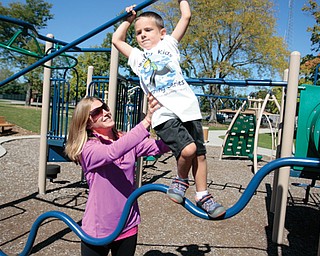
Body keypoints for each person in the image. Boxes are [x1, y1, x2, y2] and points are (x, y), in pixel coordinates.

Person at [112, 0, 226, 218]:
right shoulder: (137, 57)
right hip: (163, 113)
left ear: (162, 33)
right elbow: (117, 40)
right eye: (138, 33)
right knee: (188, 150)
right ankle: (181, 180)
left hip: (188, 108)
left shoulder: (169, 45)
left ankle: (203, 194)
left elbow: (186, 17)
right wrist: (127, 21)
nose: (143, 35)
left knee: (200, 155)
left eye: (148, 30)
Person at [65, 95, 169, 256]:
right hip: (99, 228)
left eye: (105, 107)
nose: (105, 112)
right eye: (97, 112)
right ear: (86, 123)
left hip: (127, 223)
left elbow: (158, 147)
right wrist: (146, 121)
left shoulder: (124, 138)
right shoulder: (88, 149)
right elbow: (112, 152)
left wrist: (179, 130)